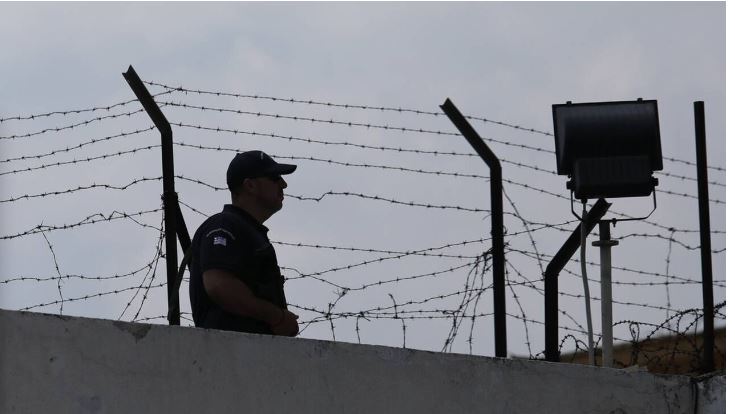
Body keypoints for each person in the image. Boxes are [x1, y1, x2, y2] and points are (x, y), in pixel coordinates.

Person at [189, 150, 299, 336]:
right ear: (250, 185)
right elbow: (219, 285)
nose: (283, 184)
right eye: (275, 178)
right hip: (228, 348)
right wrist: (277, 317)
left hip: (245, 349)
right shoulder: (225, 225)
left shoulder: (248, 231)